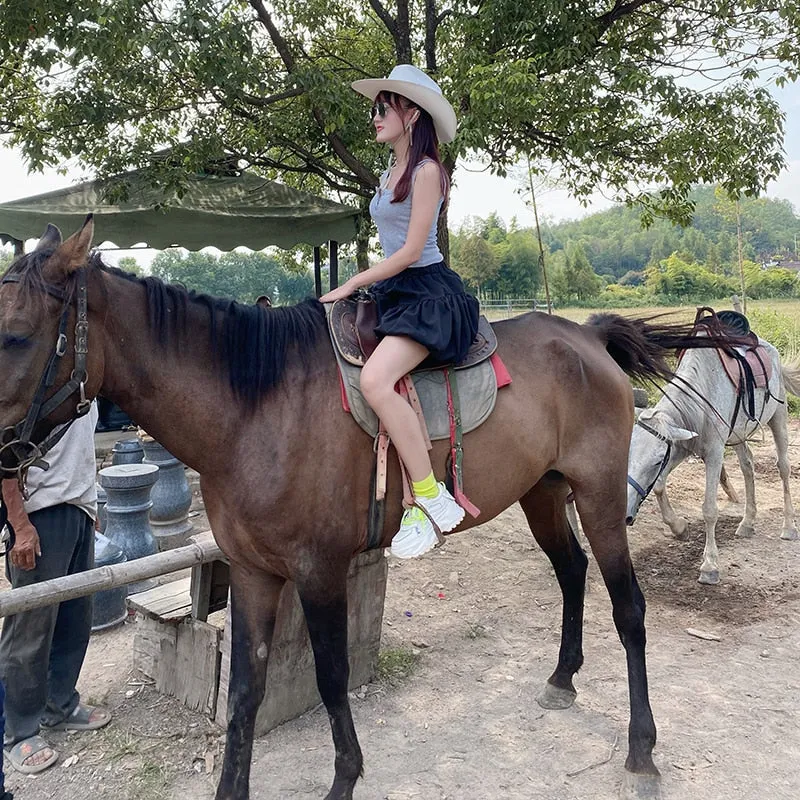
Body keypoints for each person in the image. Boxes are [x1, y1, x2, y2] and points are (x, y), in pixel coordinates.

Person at [320, 64, 479, 559]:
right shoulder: (392, 171)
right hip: (395, 293)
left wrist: (352, 281)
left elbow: (411, 251)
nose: (374, 117)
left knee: (375, 381)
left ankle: (432, 495)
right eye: (375, 108)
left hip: (427, 294)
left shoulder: (428, 171)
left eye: (383, 108)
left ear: (411, 114)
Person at [0, 403, 111, 775]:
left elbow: (80, 449)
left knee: (75, 621)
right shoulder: (34, 376)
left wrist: (91, 502)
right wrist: (19, 524)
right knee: (29, 632)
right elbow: (4, 454)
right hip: (41, 514)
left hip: (78, 506)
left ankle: (60, 706)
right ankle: (17, 731)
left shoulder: (85, 385)